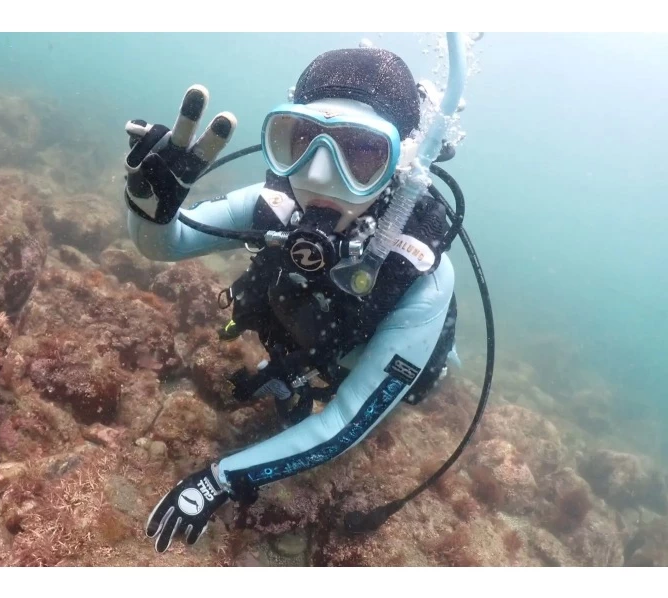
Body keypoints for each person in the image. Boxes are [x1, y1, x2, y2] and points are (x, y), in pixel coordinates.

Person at [123, 46, 461, 553]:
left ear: (401, 165)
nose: (320, 177)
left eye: (362, 154)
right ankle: (294, 369)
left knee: (417, 388)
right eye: (301, 141)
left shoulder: (422, 276)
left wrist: (220, 478)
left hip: (370, 354)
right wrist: (149, 209)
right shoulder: (274, 207)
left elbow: (345, 423)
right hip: (305, 336)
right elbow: (164, 244)